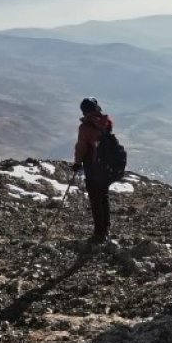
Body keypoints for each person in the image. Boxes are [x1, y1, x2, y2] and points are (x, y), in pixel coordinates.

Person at [74, 98, 115, 244]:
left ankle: (99, 232)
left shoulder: (86, 127)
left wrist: (77, 163)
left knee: (95, 199)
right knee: (103, 196)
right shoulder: (105, 123)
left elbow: (81, 147)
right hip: (106, 166)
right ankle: (106, 227)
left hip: (92, 167)